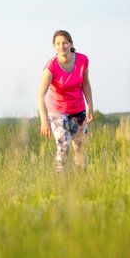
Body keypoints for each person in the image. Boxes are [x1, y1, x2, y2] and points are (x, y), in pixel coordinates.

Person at [37, 30, 94, 171]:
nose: (61, 46)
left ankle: (81, 180)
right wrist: (44, 121)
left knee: (80, 147)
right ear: (54, 47)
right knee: (64, 146)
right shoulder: (51, 66)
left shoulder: (82, 61)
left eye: (64, 43)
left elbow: (85, 83)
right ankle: (61, 179)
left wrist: (90, 106)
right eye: (58, 44)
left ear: (70, 44)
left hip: (78, 109)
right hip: (57, 111)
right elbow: (40, 94)